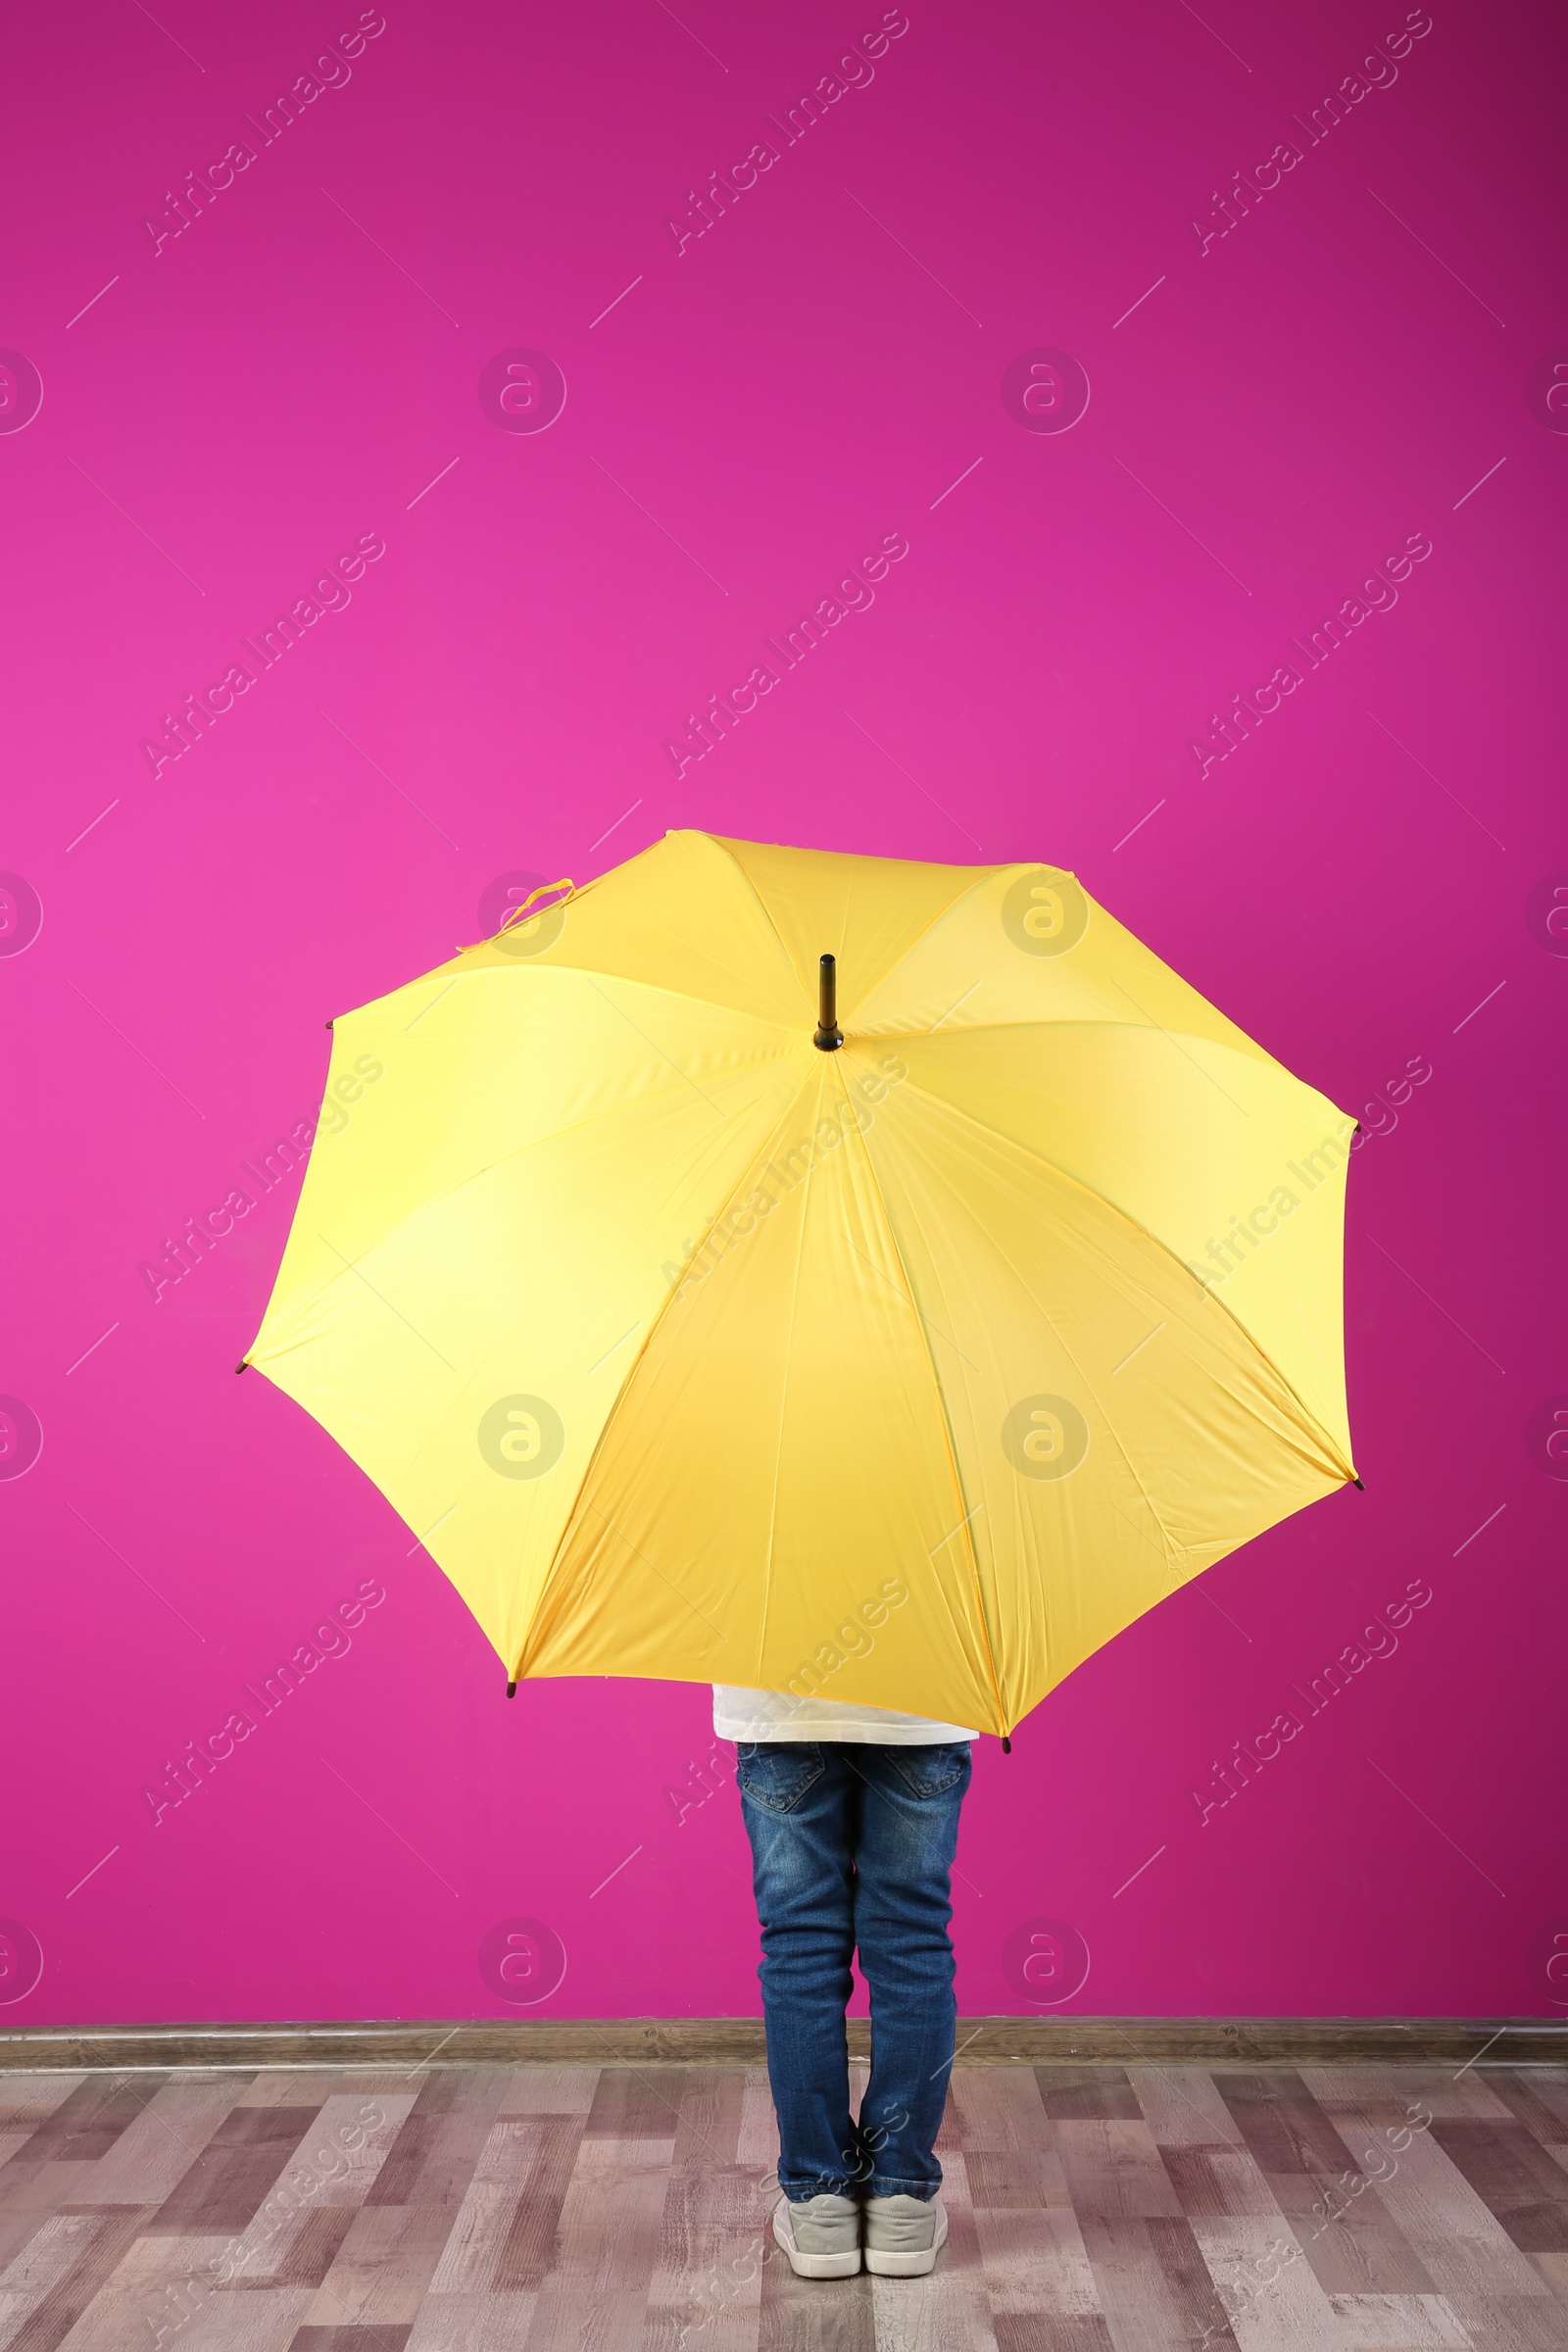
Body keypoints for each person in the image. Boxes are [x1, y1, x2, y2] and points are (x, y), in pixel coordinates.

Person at [713, 1676, 975, 2278]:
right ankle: (901, 2198)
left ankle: (820, 2205)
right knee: (912, 1942)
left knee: (800, 1944)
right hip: (923, 1704)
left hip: (779, 1708)